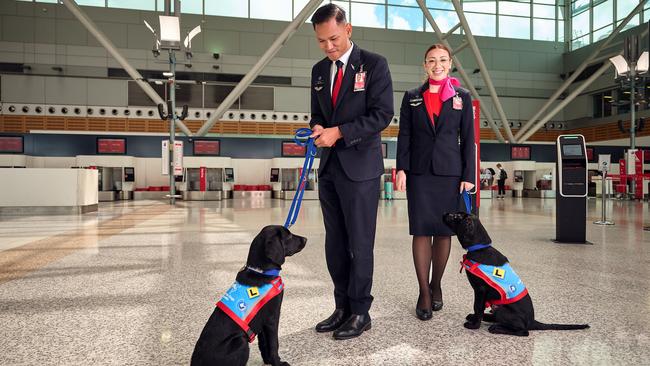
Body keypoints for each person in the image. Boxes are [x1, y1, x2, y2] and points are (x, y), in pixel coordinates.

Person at [308, 4, 394, 340]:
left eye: (333, 38)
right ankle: (341, 306)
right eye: (321, 41)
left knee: (359, 243)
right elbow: (317, 113)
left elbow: (381, 115)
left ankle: (361, 312)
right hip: (329, 168)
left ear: (348, 29)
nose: (328, 46)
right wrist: (317, 128)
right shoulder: (318, 71)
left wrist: (339, 132)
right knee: (335, 243)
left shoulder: (374, 65)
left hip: (361, 168)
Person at [395, 44, 475, 321]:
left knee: (443, 232)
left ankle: (437, 284)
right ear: (424, 65)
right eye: (431, 60)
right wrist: (401, 168)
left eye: (442, 60)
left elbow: (468, 139)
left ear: (450, 64)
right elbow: (404, 135)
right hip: (419, 173)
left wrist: (469, 176)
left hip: (449, 173)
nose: (437, 64)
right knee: (420, 231)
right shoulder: (411, 97)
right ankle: (424, 293)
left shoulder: (462, 97)